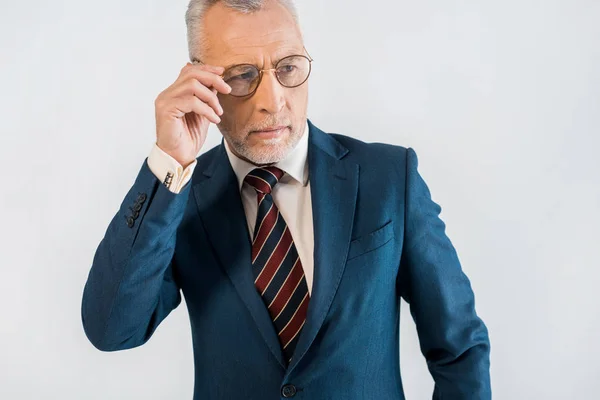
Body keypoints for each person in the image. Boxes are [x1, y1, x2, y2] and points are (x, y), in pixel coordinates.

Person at [81, 0, 491, 398]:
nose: (273, 101)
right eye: (242, 76)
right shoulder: (179, 198)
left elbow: (459, 346)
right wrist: (169, 162)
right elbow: (113, 329)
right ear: (200, 84)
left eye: (288, 68)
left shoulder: (387, 178)